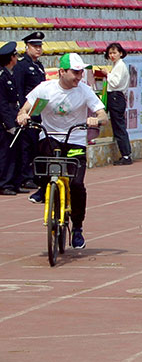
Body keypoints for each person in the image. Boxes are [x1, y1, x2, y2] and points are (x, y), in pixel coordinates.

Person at [17, 53, 109, 248]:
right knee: (44, 161)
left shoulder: (84, 91)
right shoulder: (45, 89)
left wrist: (96, 119)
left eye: (80, 72)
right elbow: (25, 109)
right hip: (50, 137)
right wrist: (23, 116)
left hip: (75, 140)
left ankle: (77, 229)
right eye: (75, 72)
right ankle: (44, 188)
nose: (79, 76)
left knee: (76, 184)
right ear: (62, 72)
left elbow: (103, 115)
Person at [14, 31, 48, 194]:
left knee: (35, 144)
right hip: (28, 110)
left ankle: (34, 175)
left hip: (39, 109)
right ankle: (25, 177)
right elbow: (20, 90)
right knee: (26, 145)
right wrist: (22, 111)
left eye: (40, 46)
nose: (38, 49)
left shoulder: (39, 66)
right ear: (26, 47)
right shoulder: (21, 66)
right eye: (35, 46)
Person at [103, 42, 132, 165]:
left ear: (120, 53)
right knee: (117, 125)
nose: (112, 55)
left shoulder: (120, 66)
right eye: (110, 53)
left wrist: (107, 74)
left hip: (116, 96)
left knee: (119, 126)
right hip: (115, 96)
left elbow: (115, 83)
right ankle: (125, 154)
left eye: (114, 52)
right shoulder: (116, 65)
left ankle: (126, 155)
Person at [0, 41, 21, 195]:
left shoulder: (11, 74)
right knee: (5, 153)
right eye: (15, 55)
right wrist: (9, 124)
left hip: (14, 115)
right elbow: (2, 103)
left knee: (15, 153)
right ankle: (4, 183)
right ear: (11, 57)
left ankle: (13, 181)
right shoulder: (2, 77)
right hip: (5, 122)